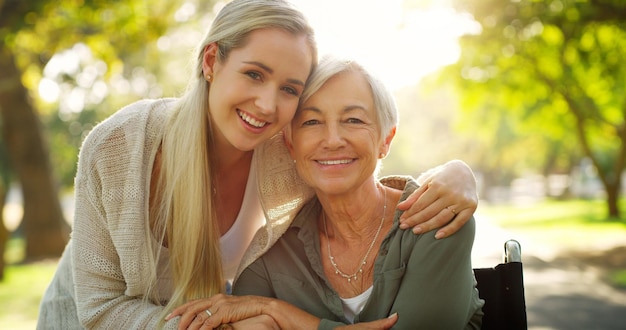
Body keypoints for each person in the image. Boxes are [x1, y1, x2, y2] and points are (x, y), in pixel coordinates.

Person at [37, 0, 478, 329]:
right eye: (254, 74)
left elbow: (354, 163)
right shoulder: (120, 147)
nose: (267, 105)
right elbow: (99, 308)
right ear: (211, 61)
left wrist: (457, 172)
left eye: (290, 89)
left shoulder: (287, 154)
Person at [168, 56, 484, 329]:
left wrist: (279, 312)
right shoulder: (271, 251)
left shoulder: (438, 217)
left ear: (385, 141)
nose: (332, 139)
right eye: (312, 122)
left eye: (353, 120)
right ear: (291, 143)